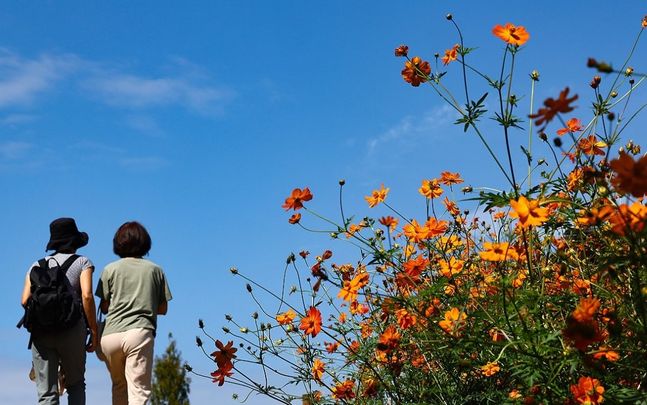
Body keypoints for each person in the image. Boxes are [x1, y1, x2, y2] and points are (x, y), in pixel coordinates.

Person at [21, 217, 98, 404]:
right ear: (75, 242)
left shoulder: (36, 265)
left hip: (41, 332)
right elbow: (87, 296)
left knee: (47, 392)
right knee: (76, 385)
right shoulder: (83, 262)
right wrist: (94, 331)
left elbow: (24, 301)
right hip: (72, 330)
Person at [96, 221, 172, 405]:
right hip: (139, 333)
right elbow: (163, 309)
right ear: (145, 242)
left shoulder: (109, 269)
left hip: (110, 337)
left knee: (119, 386)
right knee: (138, 390)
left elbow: (104, 307)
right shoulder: (155, 270)